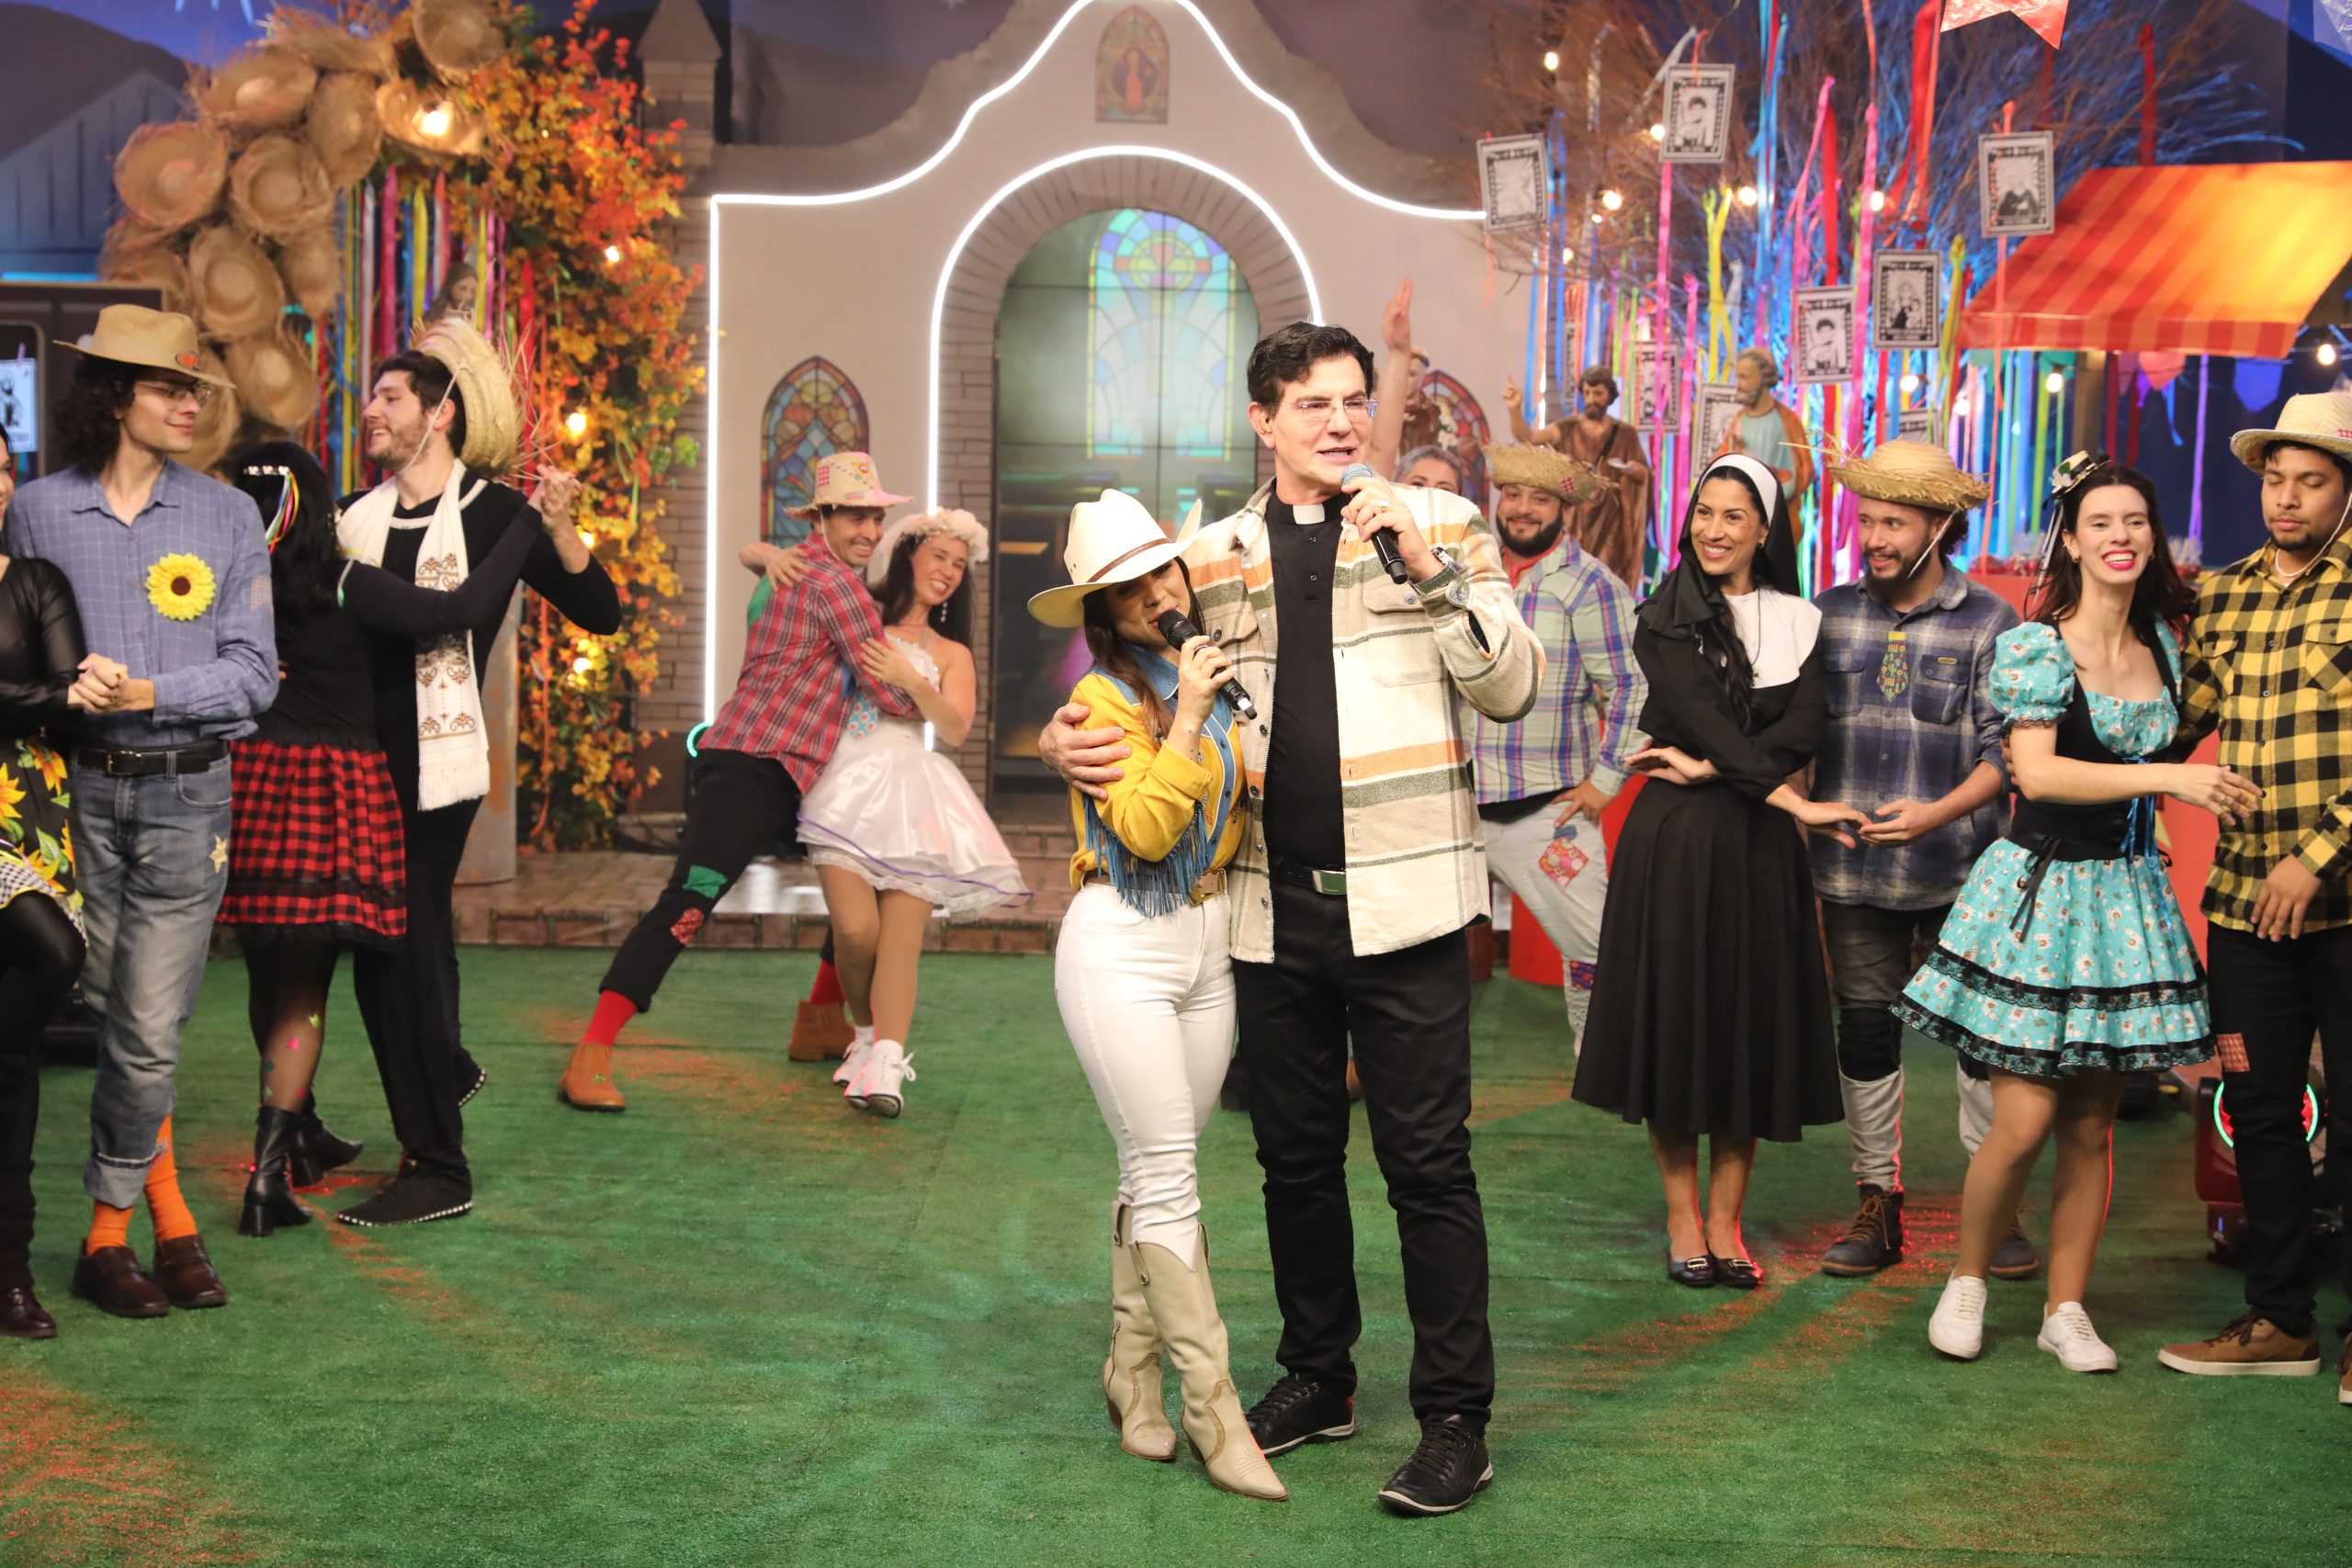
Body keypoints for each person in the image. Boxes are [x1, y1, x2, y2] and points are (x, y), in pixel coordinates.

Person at [1040, 321, 1541, 1517]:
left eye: (1353, 399)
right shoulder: (1212, 556)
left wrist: (1420, 558)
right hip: (1268, 911)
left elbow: (1510, 684)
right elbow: (1130, 653)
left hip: (1412, 904)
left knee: (1429, 1168)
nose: (1341, 421)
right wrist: (1068, 732)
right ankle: (1320, 1376)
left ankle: (1456, 1420)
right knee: (1294, 1164)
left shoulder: (1445, 524)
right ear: (1263, 420)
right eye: (1311, 403)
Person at [1899, 457, 2243, 1371]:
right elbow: (2039, 773)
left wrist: (2153, 811)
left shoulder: (2164, 643)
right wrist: (2167, 780)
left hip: (2124, 901)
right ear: (2074, 543)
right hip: (2042, 901)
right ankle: (1967, 1280)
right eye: (2101, 522)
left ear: (2152, 538)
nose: (2120, 536)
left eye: (2135, 520)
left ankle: (2066, 1307)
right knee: (2020, 1122)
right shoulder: (2038, 646)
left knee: (2092, 1126)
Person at [2, 305, 276, 1316]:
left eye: (195, 388)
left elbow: (254, 676)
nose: (190, 404)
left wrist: (149, 693)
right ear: (118, 397)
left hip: (187, 793)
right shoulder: (37, 512)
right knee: (121, 1020)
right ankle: (168, 1219)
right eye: (170, 387)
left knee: (151, 1028)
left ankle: (106, 1235)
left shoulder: (227, 516)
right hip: (74, 794)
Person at [218, 441, 546, 1235]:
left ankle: (294, 1145)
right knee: (322, 979)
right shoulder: (342, 580)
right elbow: (453, 613)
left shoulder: (226, 587)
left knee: (274, 968)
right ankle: (274, 1167)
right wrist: (527, 525)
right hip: (332, 788)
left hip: (251, 783)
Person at [1029, 489, 1284, 1502]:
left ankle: (1130, 1375)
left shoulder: (1214, 676)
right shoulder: (1097, 704)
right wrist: (1183, 719)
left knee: (1156, 1166)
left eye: (1161, 573)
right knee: (1170, 1174)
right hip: (1120, 946)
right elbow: (1141, 831)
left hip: (1208, 946)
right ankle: (1215, 1412)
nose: (1153, 596)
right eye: (1126, 589)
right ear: (1102, 609)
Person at [334, 315, 618, 1224]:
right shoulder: (352, 516)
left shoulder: (497, 513)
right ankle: (444, 1069)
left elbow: (602, 611)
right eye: (372, 396)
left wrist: (560, 531)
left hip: (438, 765)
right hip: (357, 764)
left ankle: (438, 1165)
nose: (371, 411)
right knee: (398, 943)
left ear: (441, 413)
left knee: (398, 948)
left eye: (390, 397)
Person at [1572, 455, 1862, 1291]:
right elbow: (1707, 719)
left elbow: (1805, 728)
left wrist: (1715, 768)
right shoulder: (1662, 616)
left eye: (1735, 515)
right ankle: (1682, 1217)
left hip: (1756, 844)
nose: (1714, 528)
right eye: (1704, 511)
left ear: (1764, 530)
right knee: (1678, 1025)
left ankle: (1728, 1221)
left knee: (1746, 1027)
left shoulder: (1802, 619)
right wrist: (1789, 797)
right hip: (1679, 842)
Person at [566, 452, 916, 1108]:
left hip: (788, 773)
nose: (870, 530)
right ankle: (591, 1052)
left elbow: (760, 565)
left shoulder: (794, 565)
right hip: (754, 771)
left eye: (876, 516)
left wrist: (759, 553)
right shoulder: (836, 585)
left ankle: (821, 1018)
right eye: (856, 516)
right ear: (822, 518)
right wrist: (934, 683)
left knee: (861, 876)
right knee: (689, 902)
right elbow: (887, 688)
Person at [1805, 441, 2037, 1280]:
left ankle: (1995, 1205)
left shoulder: (1991, 622)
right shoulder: (1826, 614)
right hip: (1852, 874)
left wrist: (1934, 815)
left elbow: (2008, 752)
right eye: (1866, 520)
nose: (1874, 537)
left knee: (1980, 1043)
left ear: (1940, 526)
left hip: (1964, 873)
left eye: (1894, 523)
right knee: (1865, 1033)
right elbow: (1794, 737)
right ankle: (1878, 1200)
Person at [2159, 393, 2352, 1397]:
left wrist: (2315, 856)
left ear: (2345, 490)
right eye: (2276, 480)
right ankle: (2281, 1319)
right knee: (2259, 1109)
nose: (2287, 498)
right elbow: (2176, 721)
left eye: (2310, 480)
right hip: (2242, 906)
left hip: (2343, 904)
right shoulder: (2225, 593)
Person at [795, 506, 1025, 1116]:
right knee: (855, 930)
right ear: (908, 555)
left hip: (914, 794)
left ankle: (887, 1063)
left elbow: (956, 727)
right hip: (841, 786)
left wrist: (915, 680)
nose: (948, 571)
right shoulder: (858, 614)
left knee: (901, 940)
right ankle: (866, 1034)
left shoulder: (951, 652)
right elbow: (790, 594)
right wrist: (763, 555)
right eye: (939, 556)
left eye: (959, 564)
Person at [1469, 445, 1644, 1047]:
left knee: (1597, 951)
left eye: (1539, 498)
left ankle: (1604, 1068)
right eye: (1513, 494)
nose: (1522, 509)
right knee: (1409, 951)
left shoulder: (1591, 585)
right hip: (1456, 813)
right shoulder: (1468, 574)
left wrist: (1605, 783)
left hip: (1547, 817)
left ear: (1563, 507)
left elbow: (1634, 687)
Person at [0, 423, 98, 1338]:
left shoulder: (35, 582)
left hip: (29, 810)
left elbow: (75, 704)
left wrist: (48, 702)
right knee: (55, 953)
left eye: (0, 468)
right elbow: (56, 693)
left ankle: (11, 1276)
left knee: (20, 1049)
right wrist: (43, 698)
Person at [1502, 366, 1651, 591]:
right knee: (1568, 575)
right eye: (1587, 393)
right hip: (1573, 517)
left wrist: (1630, 469)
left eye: (1598, 393)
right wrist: (1515, 409)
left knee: (1605, 578)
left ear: (1610, 395)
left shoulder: (1625, 433)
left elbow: (1643, 474)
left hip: (1610, 520)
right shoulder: (1568, 427)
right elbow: (1529, 437)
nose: (1591, 399)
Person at [1717, 349, 1815, 506]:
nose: (1738, 385)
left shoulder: (1788, 421)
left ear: (1764, 378)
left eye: (1744, 377)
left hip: (1779, 511)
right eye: (1738, 377)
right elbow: (1722, 466)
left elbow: (1804, 471)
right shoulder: (1739, 420)